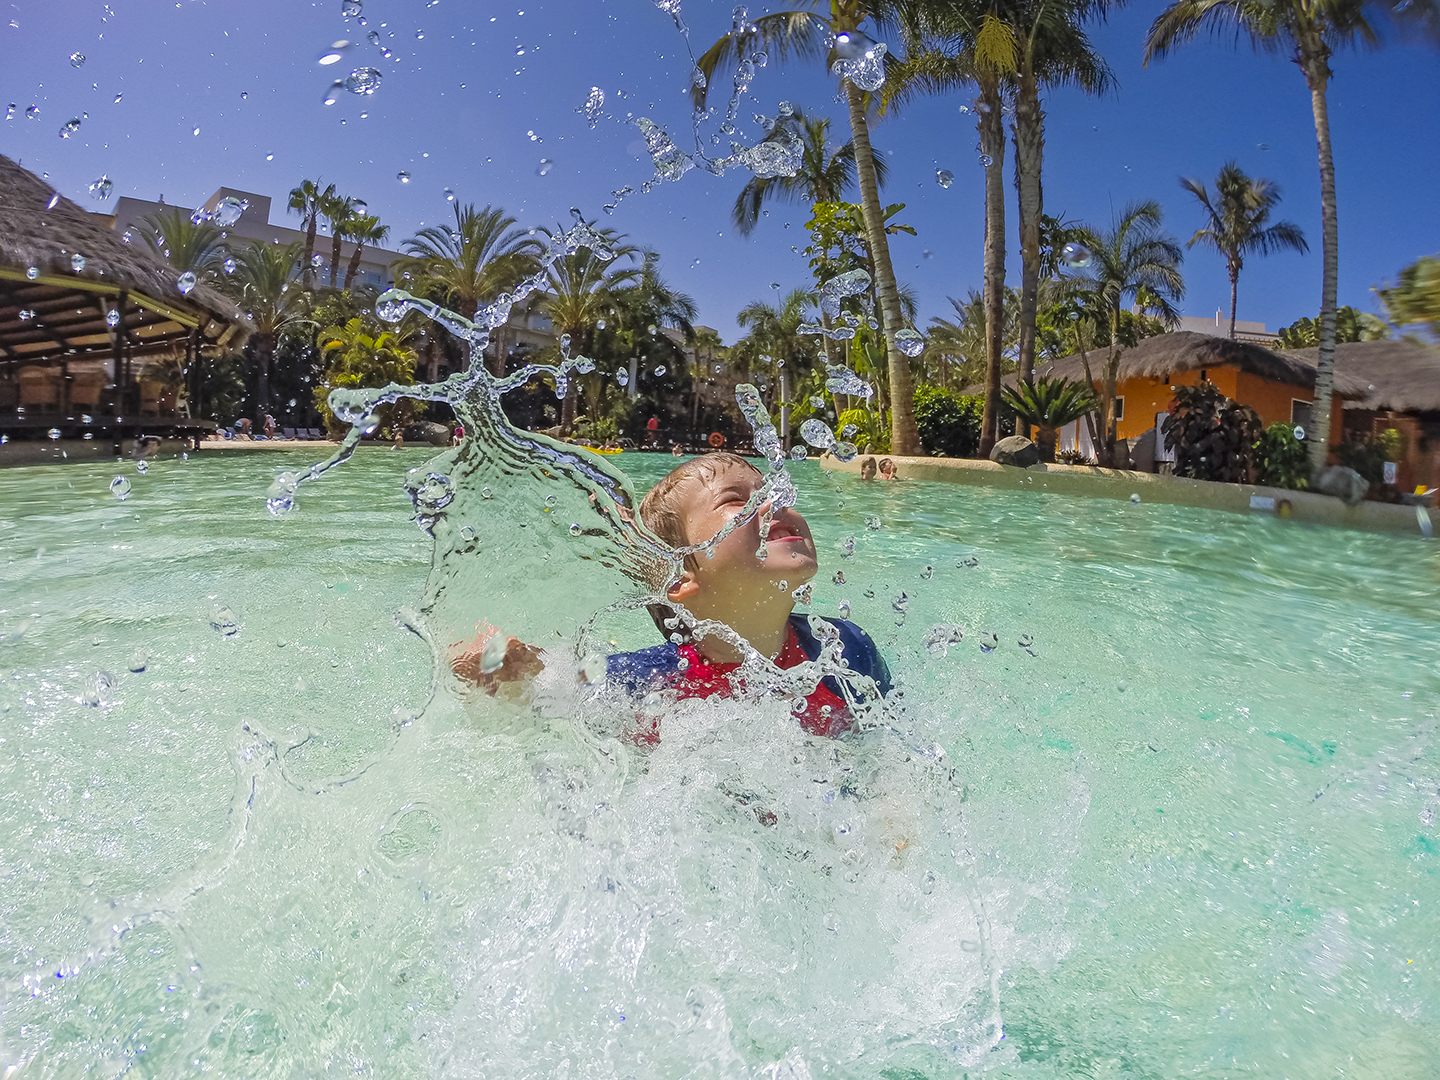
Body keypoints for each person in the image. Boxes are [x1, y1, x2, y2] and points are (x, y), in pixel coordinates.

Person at [454, 453, 890, 739]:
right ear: (681, 578)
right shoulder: (646, 683)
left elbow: (889, 749)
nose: (772, 504)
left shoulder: (846, 650)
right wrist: (501, 663)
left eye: (773, 493)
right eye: (737, 500)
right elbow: (548, 687)